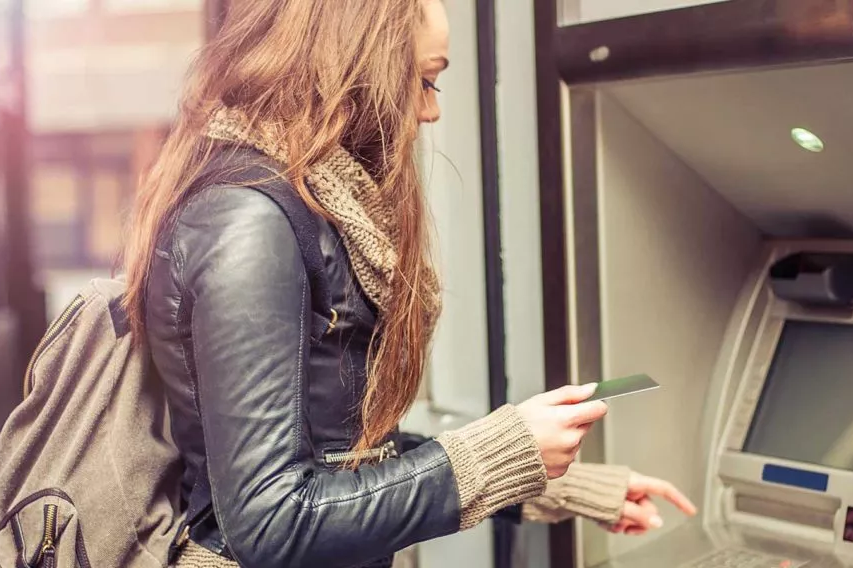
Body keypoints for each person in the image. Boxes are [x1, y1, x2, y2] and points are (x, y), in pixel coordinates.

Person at [119, 1, 696, 567]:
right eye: (425, 81)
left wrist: (557, 484)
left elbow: (345, 456)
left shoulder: (304, 205)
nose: (430, 111)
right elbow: (272, 521)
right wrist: (503, 452)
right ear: (356, 70)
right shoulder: (251, 219)